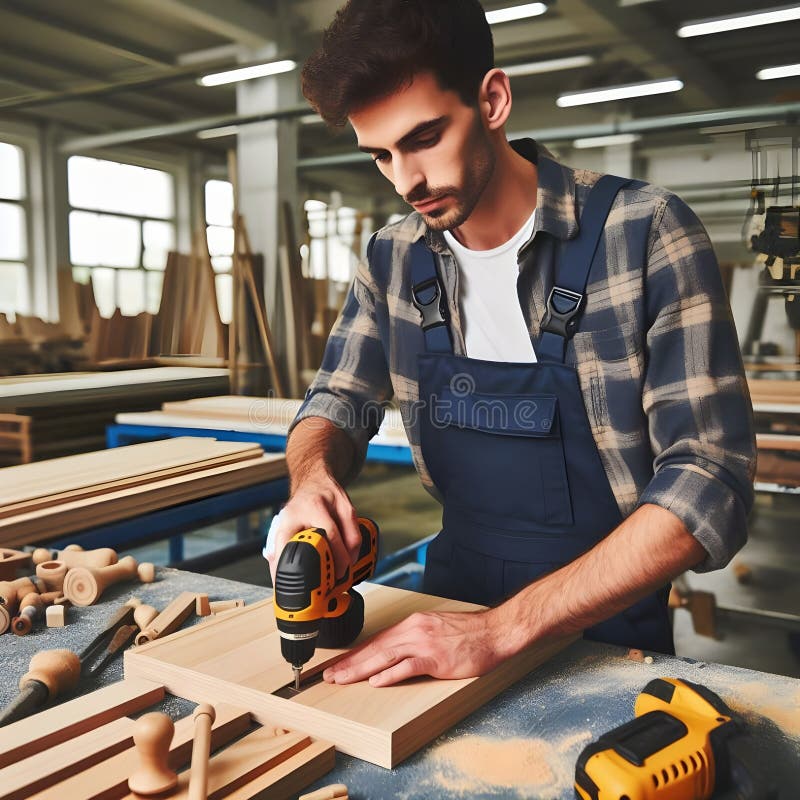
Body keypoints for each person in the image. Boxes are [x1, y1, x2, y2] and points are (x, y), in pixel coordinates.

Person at [265, 0, 755, 688]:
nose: (407, 181)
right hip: (443, 609)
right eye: (382, 155)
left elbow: (712, 481)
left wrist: (502, 629)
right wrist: (311, 480)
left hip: (603, 638)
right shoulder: (392, 258)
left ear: (492, 100)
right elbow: (337, 396)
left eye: (425, 138)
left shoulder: (645, 234)